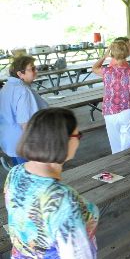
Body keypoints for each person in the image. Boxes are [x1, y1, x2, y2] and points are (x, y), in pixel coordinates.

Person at [4, 108, 99, 258]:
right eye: (77, 135)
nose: (79, 139)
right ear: (63, 141)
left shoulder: (15, 172)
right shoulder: (60, 198)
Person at [92, 41, 130, 153]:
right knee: (129, 147)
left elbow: (94, 68)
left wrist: (105, 55)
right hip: (128, 112)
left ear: (112, 54)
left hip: (109, 112)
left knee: (115, 147)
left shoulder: (106, 71)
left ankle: (117, 168)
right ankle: (129, 167)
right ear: (127, 53)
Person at [0, 56, 48, 166]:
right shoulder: (23, 91)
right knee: (32, 177)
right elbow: (26, 123)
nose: (36, 71)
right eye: (32, 69)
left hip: (10, 141)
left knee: (23, 176)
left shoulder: (7, 86)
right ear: (20, 74)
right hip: (25, 144)